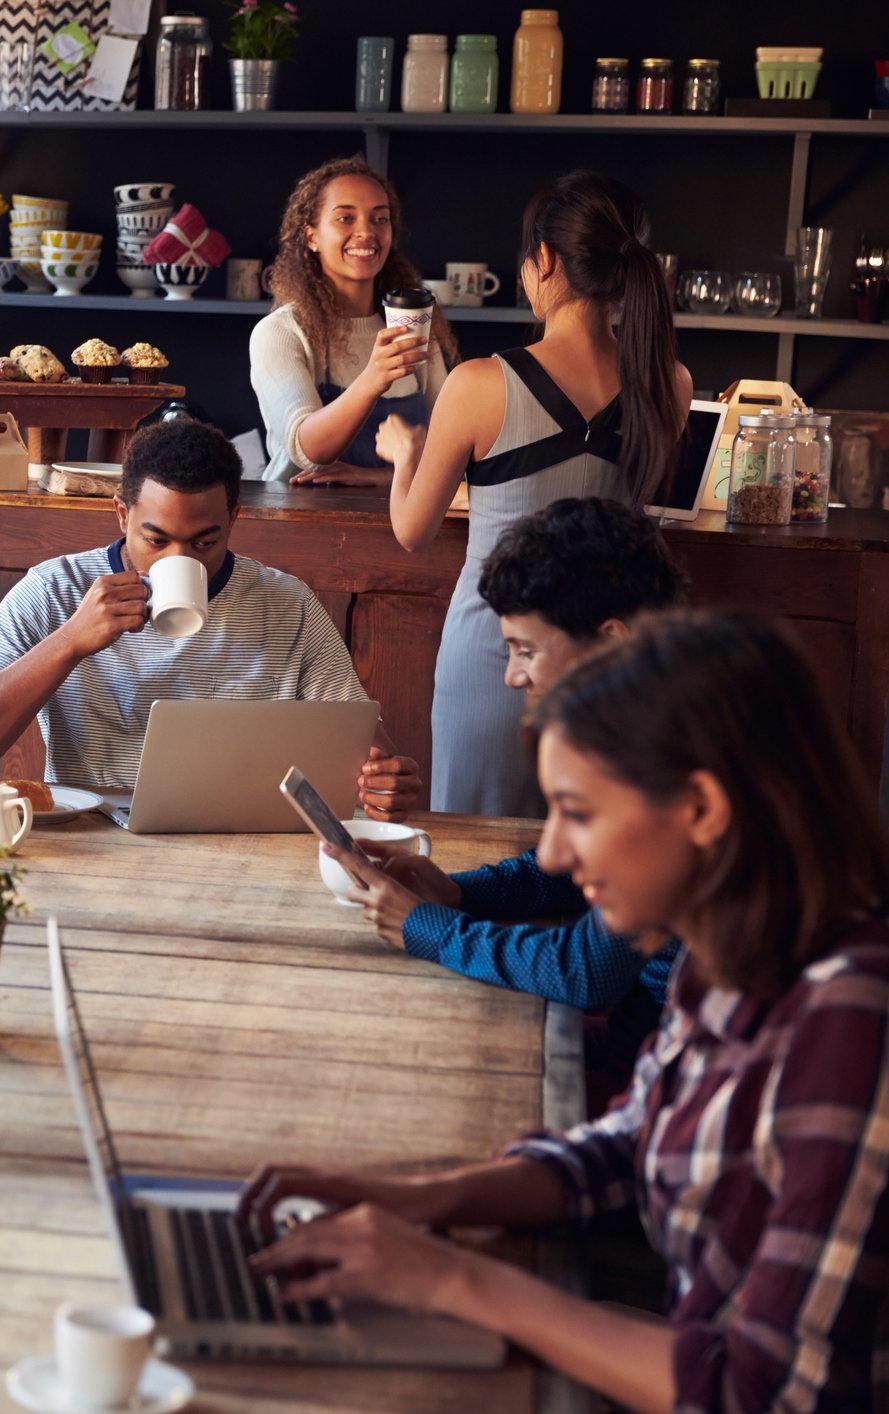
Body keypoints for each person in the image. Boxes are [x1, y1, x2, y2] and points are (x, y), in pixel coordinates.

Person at [247, 612, 889, 1413]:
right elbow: (628, 1146)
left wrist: (453, 1278)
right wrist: (421, 1199)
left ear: (700, 809)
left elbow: (757, 1393)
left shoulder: (851, 1026)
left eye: (576, 813)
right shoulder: (722, 951)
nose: (550, 854)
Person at [332, 498, 688, 1080]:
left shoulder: (666, 757)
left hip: (651, 1074)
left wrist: (425, 927)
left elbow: (585, 972)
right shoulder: (662, 710)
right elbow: (572, 877)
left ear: (613, 640)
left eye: (527, 650)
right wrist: (458, 894)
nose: (512, 675)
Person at [378, 170, 691, 816]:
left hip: (494, 653)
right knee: (582, 855)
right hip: (603, 658)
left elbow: (412, 530)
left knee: (474, 858)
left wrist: (406, 457)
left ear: (543, 261)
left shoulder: (477, 384)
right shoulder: (671, 384)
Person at [0, 419, 422, 818]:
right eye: (155, 540)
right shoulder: (56, 591)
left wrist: (382, 783)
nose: (179, 560)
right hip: (91, 843)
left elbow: (365, 752)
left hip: (242, 844)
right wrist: (69, 642)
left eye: (205, 542)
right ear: (121, 514)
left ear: (234, 522)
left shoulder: (286, 605)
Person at [248, 156, 456, 488]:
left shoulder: (413, 327)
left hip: (401, 523)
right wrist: (374, 378)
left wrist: (375, 478)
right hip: (297, 525)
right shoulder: (281, 332)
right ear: (311, 237)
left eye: (380, 219)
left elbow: (450, 449)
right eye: (345, 218)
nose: (366, 232)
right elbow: (308, 450)